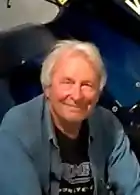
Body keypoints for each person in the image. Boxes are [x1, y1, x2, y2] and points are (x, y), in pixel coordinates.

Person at [0, 39, 140, 195]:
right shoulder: (17, 128)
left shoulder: (108, 125)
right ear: (47, 88)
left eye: (87, 85)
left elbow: (133, 187)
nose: (77, 95)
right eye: (67, 82)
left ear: (98, 94)